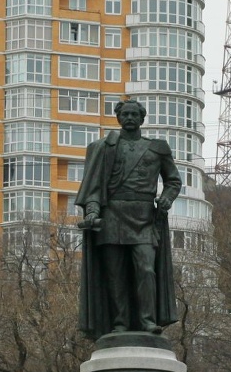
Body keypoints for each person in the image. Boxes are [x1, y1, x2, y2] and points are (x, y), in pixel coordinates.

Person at [75, 99, 182, 339]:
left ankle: (147, 321)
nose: (130, 118)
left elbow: (173, 180)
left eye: (135, 114)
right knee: (115, 274)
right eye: (126, 114)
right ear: (119, 118)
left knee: (146, 269)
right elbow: (93, 188)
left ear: (142, 118)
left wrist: (166, 198)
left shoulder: (157, 148)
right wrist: (92, 211)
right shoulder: (103, 147)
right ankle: (120, 323)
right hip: (111, 216)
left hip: (143, 217)